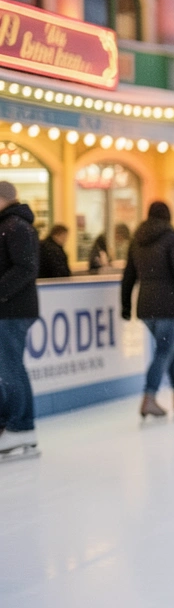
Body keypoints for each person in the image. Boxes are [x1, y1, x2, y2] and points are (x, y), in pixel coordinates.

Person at [121, 202, 174, 419]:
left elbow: (128, 275)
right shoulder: (172, 239)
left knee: (168, 348)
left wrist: (126, 305)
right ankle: (149, 397)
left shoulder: (137, 241)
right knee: (164, 351)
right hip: (170, 305)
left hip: (146, 306)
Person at [0, 181, 41, 462]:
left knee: (11, 367)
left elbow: (26, 267)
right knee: (8, 368)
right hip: (10, 308)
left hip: (13, 310)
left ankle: (21, 426)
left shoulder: (15, 225)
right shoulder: (10, 224)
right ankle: (12, 424)